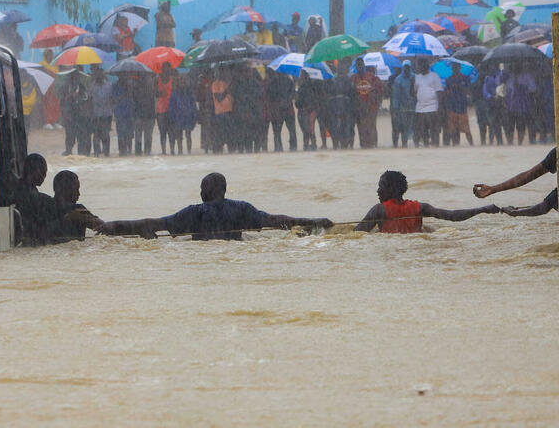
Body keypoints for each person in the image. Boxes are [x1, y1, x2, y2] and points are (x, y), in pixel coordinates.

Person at [98, 172, 332, 240]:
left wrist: (114, 226)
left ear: (203, 193)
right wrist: (313, 223)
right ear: (224, 191)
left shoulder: (194, 213)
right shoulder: (241, 209)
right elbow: (278, 221)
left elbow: (151, 224)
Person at [355, 171, 500, 233]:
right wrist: (483, 209)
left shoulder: (379, 210)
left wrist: (331, 228)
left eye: (380, 187)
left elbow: (357, 234)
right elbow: (453, 216)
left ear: (389, 189)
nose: (377, 191)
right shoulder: (420, 207)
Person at [473, 148, 558, 218]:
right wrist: (493, 189)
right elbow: (528, 175)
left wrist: (515, 212)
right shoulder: (556, 153)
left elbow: (543, 208)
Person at [51, 171, 105, 242]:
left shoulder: (44, 205)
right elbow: (102, 226)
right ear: (66, 190)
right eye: (76, 190)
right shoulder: (77, 209)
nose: (79, 194)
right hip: (74, 249)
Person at [351, 59, 383, 149]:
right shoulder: (353, 78)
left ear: (364, 65)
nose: (359, 67)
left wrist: (377, 104)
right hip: (359, 108)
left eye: (361, 65)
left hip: (371, 108)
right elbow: (351, 94)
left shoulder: (371, 77)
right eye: (358, 65)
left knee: (371, 126)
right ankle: (363, 146)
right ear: (356, 67)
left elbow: (379, 91)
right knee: (361, 127)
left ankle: (374, 145)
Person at [412, 58, 443, 147]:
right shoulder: (417, 78)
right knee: (422, 131)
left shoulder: (434, 76)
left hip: (432, 107)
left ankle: (435, 147)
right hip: (420, 109)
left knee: (434, 130)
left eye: (423, 65)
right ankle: (426, 148)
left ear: (427, 66)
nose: (421, 67)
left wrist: (439, 108)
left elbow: (439, 92)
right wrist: (412, 82)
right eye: (419, 65)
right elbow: (413, 93)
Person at [265, 69, 297, 152]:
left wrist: (278, 103)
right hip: (287, 109)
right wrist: (286, 101)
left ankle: (278, 148)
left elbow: (268, 96)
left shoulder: (272, 82)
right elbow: (293, 94)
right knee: (291, 130)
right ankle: (293, 147)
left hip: (277, 110)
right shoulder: (289, 81)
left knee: (277, 132)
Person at [503, 65, 536, 145]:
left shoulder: (527, 76)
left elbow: (533, 88)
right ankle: (510, 143)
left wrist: (523, 88)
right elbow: (505, 90)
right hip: (510, 106)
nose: (515, 68)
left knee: (521, 125)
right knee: (509, 126)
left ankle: (520, 143)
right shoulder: (509, 77)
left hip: (522, 105)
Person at [444, 62, 474, 146]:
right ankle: (456, 147)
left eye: (456, 67)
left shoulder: (465, 78)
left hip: (462, 107)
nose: (455, 69)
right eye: (454, 68)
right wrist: (450, 90)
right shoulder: (449, 79)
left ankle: (472, 145)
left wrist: (460, 88)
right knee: (454, 131)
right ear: (452, 69)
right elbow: (447, 93)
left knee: (467, 130)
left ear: (459, 68)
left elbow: (469, 91)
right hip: (452, 107)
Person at [168, 73, 197, 155]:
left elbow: (194, 105)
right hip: (178, 118)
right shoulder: (174, 94)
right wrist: (172, 119)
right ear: (178, 82)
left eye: (184, 81)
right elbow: (171, 107)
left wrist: (194, 117)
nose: (183, 83)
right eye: (181, 81)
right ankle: (180, 152)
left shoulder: (190, 93)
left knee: (188, 135)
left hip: (188, 117)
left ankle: (189, 152)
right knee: (179, 137)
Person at [295, 70, 324, 151]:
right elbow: (298, 103)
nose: (301, 77)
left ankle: (309, 145)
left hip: (309, 111)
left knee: (308, 129)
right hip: (307, 111)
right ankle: (309, 145)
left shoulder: (305, 87)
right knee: (308, 129)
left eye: (302, 75)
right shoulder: (305, 87)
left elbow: (298, 103)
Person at [389, 60, 416, 148]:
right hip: (401, 108)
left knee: (411, 127)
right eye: (405, 67)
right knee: (401, 127)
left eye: (408, 67)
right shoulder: (398, 79)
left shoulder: (415, 77)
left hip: (413, 107)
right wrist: (395, 108)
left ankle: (406, 145)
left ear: (410, 67)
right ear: (403, 67)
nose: (406, 69)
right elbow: (395, 95)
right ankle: (399, 146)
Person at [89, 67, 114, 157]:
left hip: (107, 114)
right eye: (97, 74)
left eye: (100, 74)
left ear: (103, 75)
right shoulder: (92, 86)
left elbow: (112, 99)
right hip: (95, 114)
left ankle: (106, 152)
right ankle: (96, 153)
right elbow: (89, 100)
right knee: (96, 134)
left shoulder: (109, 85)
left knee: (106, 134)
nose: (98, 76)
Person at [112, 74, 135, 156]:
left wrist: (130, 89)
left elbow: (133, 97)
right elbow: (114, 99)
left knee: (130, 133)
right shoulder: (115, 86)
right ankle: (122, 151)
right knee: (121, 134)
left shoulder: (131, 85)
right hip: (120, 112)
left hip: (130, 112)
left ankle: (129, 150)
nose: (125, 77)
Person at [134, 73, 156, 155]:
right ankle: (142, 152)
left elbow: (153, 103)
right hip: (140, 116)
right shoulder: (137, 89)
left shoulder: (150, 89)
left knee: (146, 136)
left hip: (148, 116)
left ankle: (144, 152)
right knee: (141, 137)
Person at [155, 62, 175, 154]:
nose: (166, 70)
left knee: (171, 132)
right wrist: (159, 93)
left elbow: (175, 94)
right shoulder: (157, 80)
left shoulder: (173, 80)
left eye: (168, 68)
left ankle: (172, 150)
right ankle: (163, 151)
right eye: (164, 68)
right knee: (162, 132)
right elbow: (154, 93)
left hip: (171, 109)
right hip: (160, 110)